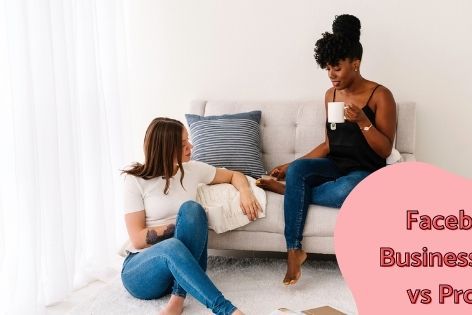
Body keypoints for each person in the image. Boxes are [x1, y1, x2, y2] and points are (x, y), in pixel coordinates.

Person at [257, 14, 397, 285]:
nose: (331, 75)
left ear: (355, 64)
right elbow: (330, 144)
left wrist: (364, 122)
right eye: (327, 69)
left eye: (337, 68)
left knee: (347, 190)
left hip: (366, 170)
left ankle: (291, 192)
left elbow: (384, 150)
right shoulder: (330, 95)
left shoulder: (380, 95)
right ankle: (294, 250)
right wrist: (290, 167)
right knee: (300, 169)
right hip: (335, 164)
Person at [121, 117, 261, 315]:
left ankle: (178, 297)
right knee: (172, 245)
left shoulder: (193, 169)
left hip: (183, 265)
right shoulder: (135, 180)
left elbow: (233, 175)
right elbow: (137, 239)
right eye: (182, 144)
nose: (191, 146)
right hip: (142, 272)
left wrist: (245, 192)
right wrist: (175, 230)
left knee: (192, 209)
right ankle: (227, 310)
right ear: (165, 147)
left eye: (188, 140)